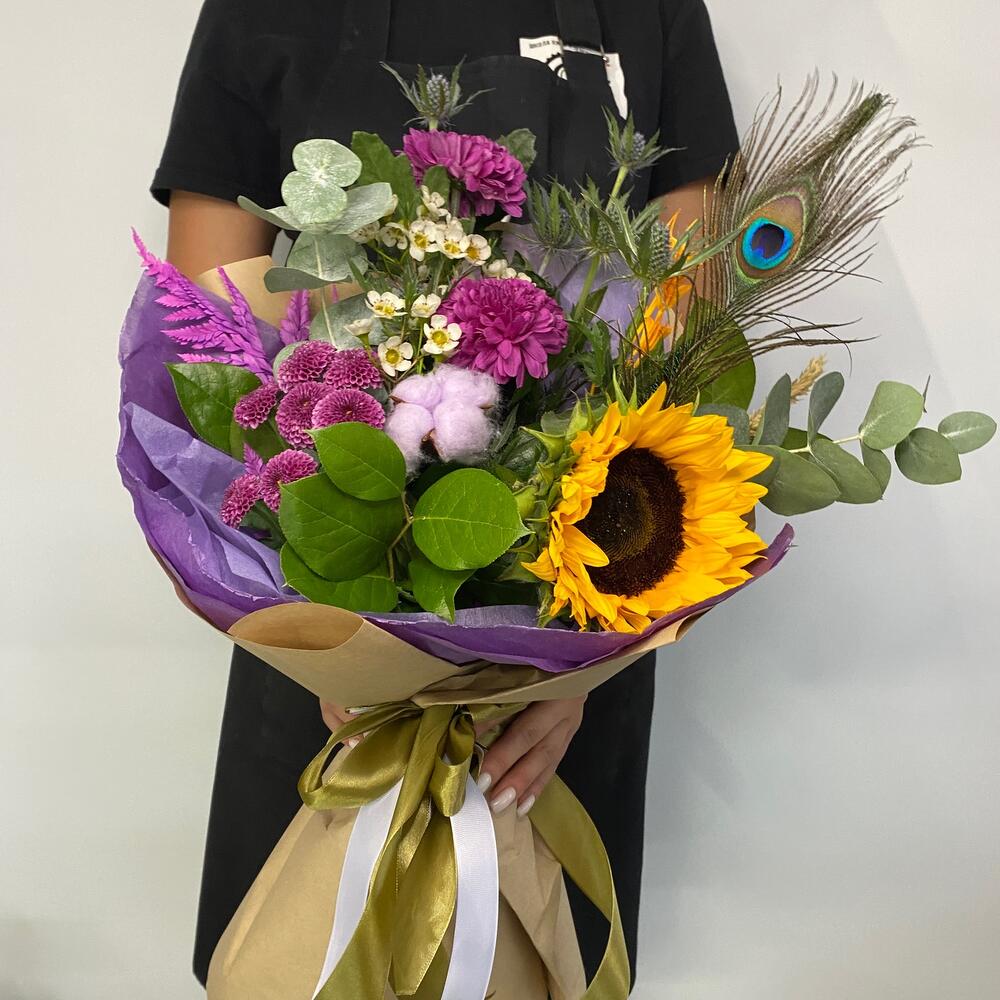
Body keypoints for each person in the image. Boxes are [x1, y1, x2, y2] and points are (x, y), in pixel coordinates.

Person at [153, 0, 739, 989]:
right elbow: (204, 357)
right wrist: (324, 636)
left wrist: (569, 675)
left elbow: (691, 360)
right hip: (313, 629)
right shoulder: (258, 11)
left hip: (579, 632)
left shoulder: (650, 11)